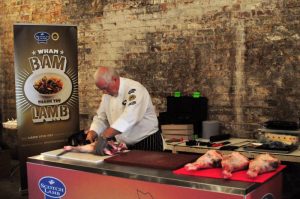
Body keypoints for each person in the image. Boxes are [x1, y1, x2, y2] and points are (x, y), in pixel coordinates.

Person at [84, 66, 163, 155]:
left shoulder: (135, 89)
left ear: (115, 79)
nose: (104, 92)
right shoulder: (107, 95)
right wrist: (93, 131)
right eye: (102, 89)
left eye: (105, 88)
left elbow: (130, 116)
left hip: (146, 142)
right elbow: (101, 117)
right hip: (125, 145)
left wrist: (105, 135)